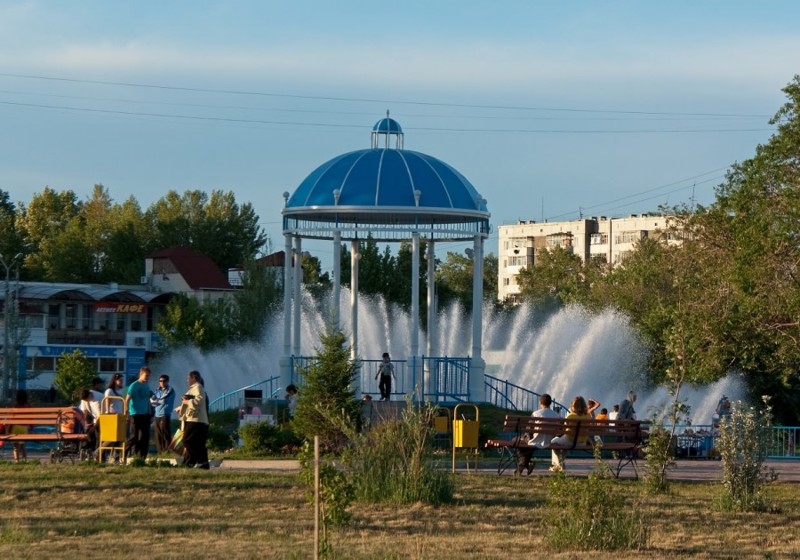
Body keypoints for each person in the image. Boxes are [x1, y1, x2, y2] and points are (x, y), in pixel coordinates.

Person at [514, 393, 561, 475]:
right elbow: (559, 431)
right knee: (526, 445)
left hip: (535, 441)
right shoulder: (556, 415)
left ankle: (524, 463)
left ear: (540, 403)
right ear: (550, 403)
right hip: (550, 441)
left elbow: (529, 430)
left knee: (516, 441)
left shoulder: (536, 414)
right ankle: (526, 464)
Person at [549, 395, 593, 472]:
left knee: (553, 442)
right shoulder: (588, 416)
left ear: (573, 406)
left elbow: (565, 429)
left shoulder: (571, 416)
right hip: (582, 442)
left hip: (570, 440)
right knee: (564, 444)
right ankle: (560, 465)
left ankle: (558, 465)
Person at [177, 370, 209, 469]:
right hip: (197, 419)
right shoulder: (196, 388)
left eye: (188, 378)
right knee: (198, 442)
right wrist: (181, 407)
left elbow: (198, 401)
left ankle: (199, 460)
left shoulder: (197, 387)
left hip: (195, 419)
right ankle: (203, 464)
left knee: (187, 440)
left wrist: (186, 401)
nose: (187, 380)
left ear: (194, 378)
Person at [125, 366, 153, 459]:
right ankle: (123, 453)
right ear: (141, 374)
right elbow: (127, 400)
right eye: (146, 375)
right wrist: (127, 413)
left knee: (145, 436)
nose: (147, 378)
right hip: (135, 413)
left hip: (145, 414)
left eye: (149, 376)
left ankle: (142, 457)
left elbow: (148, 400)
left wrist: (150, 413)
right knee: (134, 436)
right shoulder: (134, 385)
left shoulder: (146, 385)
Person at [151, 374, 176, 453]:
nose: (162, 382)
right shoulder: (157, 390)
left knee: (165, 433)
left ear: (167, 381)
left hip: (165, 414)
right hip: (157, 415)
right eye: (160, 381)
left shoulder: (170, 390)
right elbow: (151, 401)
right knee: (158, 435)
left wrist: (156, 401)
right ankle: (160, 452)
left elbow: (164, 400)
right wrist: (157, 401)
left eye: (164, 381)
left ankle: (168, 451)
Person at [10, 390, 31, 463]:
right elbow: (31, 419)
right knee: (22, 446)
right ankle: (25, 460)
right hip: (24, 428)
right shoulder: (28, 406)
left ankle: (17, 461)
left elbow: (11, 419)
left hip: (16, 427)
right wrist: (30, 427)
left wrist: (9, 429)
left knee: (16, 446)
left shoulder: (16, 406)